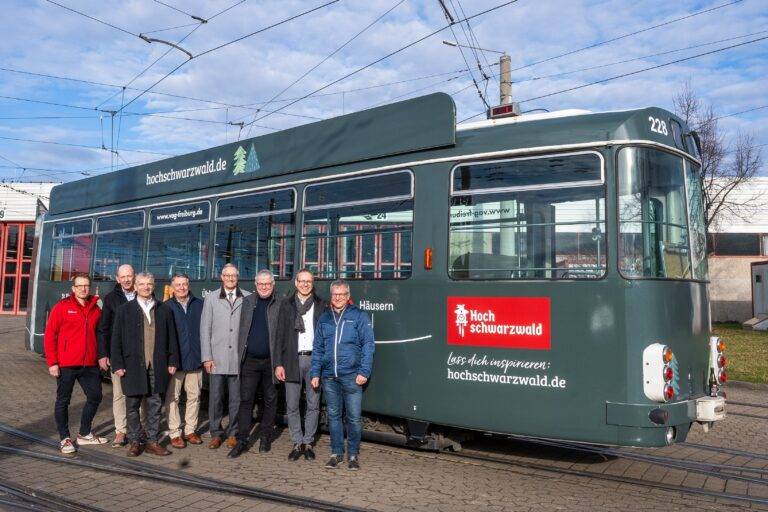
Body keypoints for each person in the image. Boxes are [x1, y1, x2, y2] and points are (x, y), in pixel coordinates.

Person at [111, 272, 179, 457]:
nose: (146, 287)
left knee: (155, 405)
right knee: (132, 405)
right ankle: (135, 441)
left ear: (154, 286)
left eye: (149, 284)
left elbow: (172, 337)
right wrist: (117, 364)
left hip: (157, 365)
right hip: (132, 365)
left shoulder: (164, 309)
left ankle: (152, 441)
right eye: (141, 284)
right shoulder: (124, 310)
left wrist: (173, 360)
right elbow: (116, 339)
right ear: (135, 286)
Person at [311, 280, 374, 470]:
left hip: (352, 376)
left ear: (348, 296)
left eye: (342, 294)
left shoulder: (359, 316)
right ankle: (336, 453)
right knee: (333, 416)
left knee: (353, 417)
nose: (338, 297)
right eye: (335, 294)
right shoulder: (325, 318)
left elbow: (368, 345)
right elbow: (318, 348)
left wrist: (364, 371)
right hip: (329, 376)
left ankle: (353, 455)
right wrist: (315, 372)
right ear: (331, 296)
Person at [44, 273, 108, 454]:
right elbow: (50, 335)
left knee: (95, 396)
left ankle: (84, 433)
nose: (83, 289)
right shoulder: (62, 307)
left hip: (89, 364)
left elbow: (101, 334)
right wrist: (53, 362)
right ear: (73, 288)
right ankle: (64, 438)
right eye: (79, 286)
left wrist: (102, 355)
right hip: (66, 364)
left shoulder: (96, 308)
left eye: (86, 285)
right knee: (63, 400)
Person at [227, 269, 285, 458]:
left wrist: (280, 362)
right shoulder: (248, 301)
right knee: (246, 401)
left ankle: (265, 438)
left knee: (270, 400)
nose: (264, 287)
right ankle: (242, 440)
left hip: (271, 362)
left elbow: (284, 334)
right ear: (255, 284)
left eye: (267, 284)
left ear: (273, 285)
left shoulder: (281, 302)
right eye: (261, 284)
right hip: (250, 361)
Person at [274, 269, 326, 461]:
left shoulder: (321, 305)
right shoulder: (286, 304)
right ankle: (297, 442)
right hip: (291, 360)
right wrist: (278, 364)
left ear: (312, 284)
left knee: (313, 404)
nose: (305, 284)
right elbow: (279, 335)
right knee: (292, 404)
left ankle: (308, 442)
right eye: (302, 281)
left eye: (308, 281)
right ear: (296, 283)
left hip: (314, 360)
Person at [201, 263, 250, 450]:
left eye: (233, 275)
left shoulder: (247, 297)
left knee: (236, 399)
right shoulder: (211, 298)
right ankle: (215, 433)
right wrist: (207, 357)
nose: (230, 278)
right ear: (221, 277)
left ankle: (233, 434)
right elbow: (205, 329)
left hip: (238, 359)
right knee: (215, 398)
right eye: (227, 275)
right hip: (216, 358)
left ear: (238, 277)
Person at [96, 264, 136, 448]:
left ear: (134, 276)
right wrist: (103, 354)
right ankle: (121, 431)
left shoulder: (145, 294)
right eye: (123, 277)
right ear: (118, 279)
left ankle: (138, 428)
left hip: (139, 355)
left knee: (140, 393)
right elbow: (103, 329)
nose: (126, 279)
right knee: (119, 395)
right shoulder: (111, 298)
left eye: (129, 276)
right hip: (118, 354)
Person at [164, 273, 204, 448]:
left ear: (188, 285)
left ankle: (190, 430)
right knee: (173, 397)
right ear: (172, 287)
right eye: (178, 285)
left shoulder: (199, 304)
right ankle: (174, 432)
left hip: (195, 359)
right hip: (175, 361)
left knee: (194, 396)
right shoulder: (166, 307)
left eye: (184, 284)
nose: (181, 288)